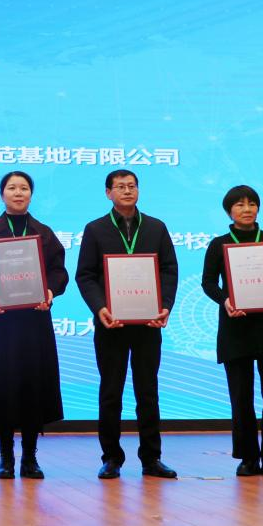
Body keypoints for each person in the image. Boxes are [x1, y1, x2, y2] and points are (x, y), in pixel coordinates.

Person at [0, 171, 69, 480]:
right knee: (3, 389)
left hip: (35, 323)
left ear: (31, 195)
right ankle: (6, 457)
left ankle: (30, 458)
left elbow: (59, 272)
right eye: (12, 188)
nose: (18, 193)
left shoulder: (44, 233)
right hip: (1, 325)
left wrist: (49, 291)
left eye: (24, 188)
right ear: (2, 194)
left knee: (33, 388)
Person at [75, 169, 178, 480]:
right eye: (120, 187)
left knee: (148, 392)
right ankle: (111, 458)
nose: (127, 191)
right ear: (108, 193)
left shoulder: (156, 227)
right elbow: (85, 275)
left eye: (132, 186)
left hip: (148, 323)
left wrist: (165, 305)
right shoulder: (96, 229)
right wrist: (100, 308)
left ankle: (152, 458)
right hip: (111, 324)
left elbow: (169, 269)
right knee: (111, 392)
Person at [201, 185, 263, 478]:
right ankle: (247, 458)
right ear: (229, 211)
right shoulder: (219, 244)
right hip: (236, 326)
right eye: (240, 204)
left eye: (252, 203)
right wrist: (225, 300)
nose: (247, 209)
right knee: (241, 397)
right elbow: (208, 282)